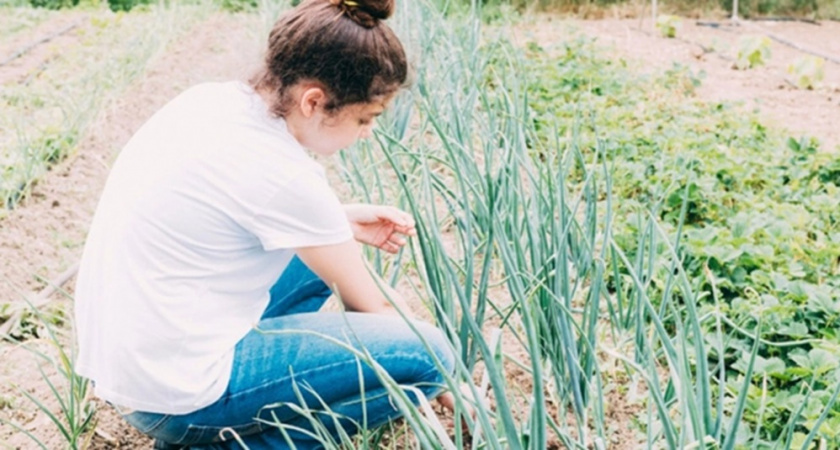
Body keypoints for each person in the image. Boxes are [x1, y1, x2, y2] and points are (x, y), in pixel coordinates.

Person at [73, 0, 459, 448]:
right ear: (314, 101)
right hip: (179, 397)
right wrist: (452, 382)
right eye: (364, 118)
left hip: (134, 370)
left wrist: (335, 222)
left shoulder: (210, 101)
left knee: (317, 264)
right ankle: (231, 441)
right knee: (428, 357)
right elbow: (370, 305)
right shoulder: (287, 176)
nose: (367, 132)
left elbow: (229, 209)